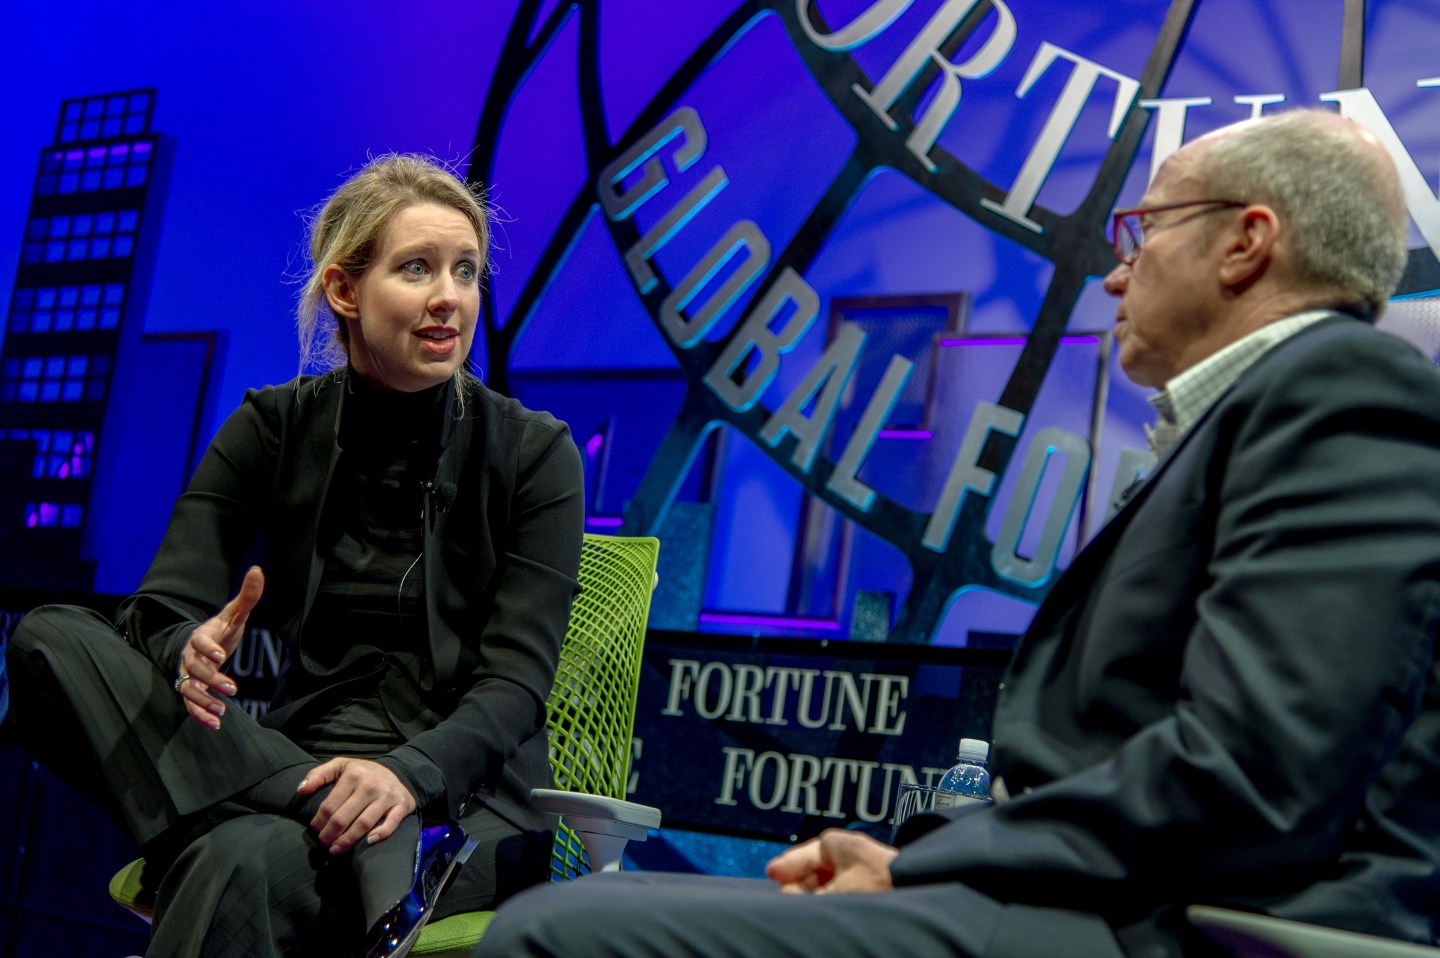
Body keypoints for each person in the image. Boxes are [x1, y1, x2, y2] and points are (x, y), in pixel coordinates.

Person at [475, 108, 1440, 957]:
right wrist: (922, 854)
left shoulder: (1342, 397)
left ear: (1246, 243)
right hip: (1118, 895)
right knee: (614, 902)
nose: (1116, 272)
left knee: (554, 932)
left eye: (1142, 229)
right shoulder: (1271, 415)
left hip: (1191, 922)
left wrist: (927, 866)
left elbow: (1247, 777)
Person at [2, 153, 584, 958]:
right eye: (416, 269)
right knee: (47, 640)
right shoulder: (274, 426)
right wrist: (186, 652)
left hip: (461, 807)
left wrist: (405, 778)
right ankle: (316, 805)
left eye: (466, 272)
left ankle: (358, 825)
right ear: (344, 291)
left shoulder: (534, 454)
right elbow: (163, 608)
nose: (449, 297)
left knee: (232, 860)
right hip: (293, 761)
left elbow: (516, 685)